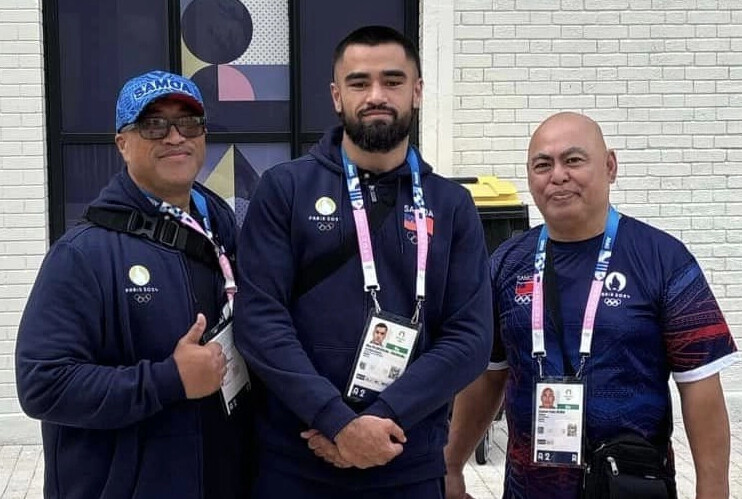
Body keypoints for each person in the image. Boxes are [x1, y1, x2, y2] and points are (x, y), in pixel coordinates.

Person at [234, 25, 493, 498]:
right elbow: (260, 321)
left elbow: (470, 337)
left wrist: (382, 419)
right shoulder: (284, 189)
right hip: (298, 461)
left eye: (393, 81)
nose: (376, 95)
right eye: (359, 82)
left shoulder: (451, 204)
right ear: (337, 96)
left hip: (407, 462)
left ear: (416, 92)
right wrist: (336, 422)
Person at [444, 112, 739, 499]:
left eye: (574, 160)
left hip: (629, 486)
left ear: (610, 166)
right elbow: (488, 375)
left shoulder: (664, 259)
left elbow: (700, 390)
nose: (558, 175)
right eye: (543, 164)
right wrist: (450, 466)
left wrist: (712, 491)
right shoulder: (507, 263)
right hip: (527, 489)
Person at [15, 70, 252, 499]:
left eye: (189, 122)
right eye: (153, 124)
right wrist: (169, 380)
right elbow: (42, 385)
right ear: (123, 143)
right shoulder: (82, 254)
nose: (175, 136)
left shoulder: (223, 231)